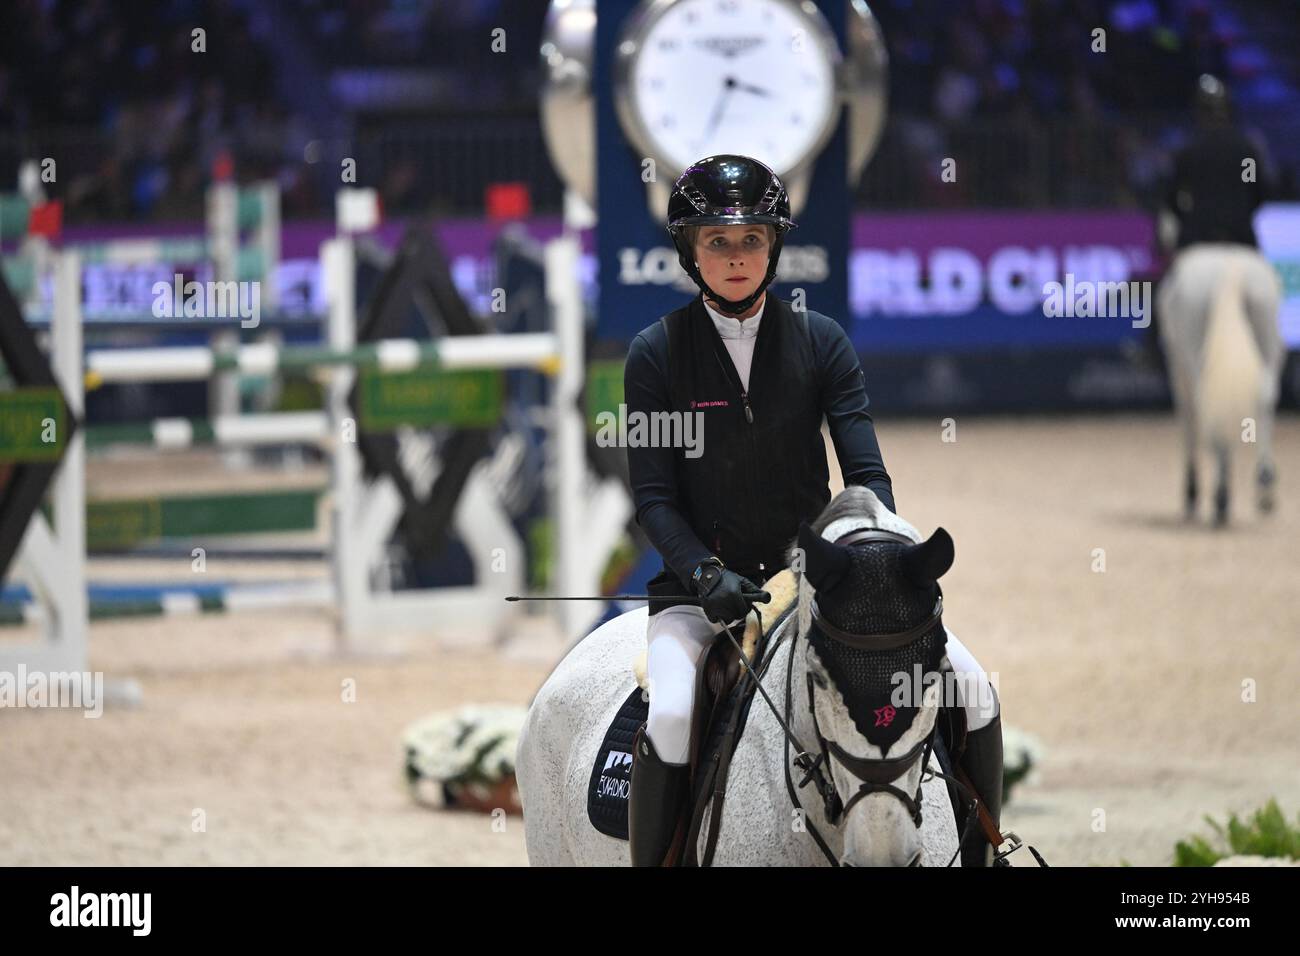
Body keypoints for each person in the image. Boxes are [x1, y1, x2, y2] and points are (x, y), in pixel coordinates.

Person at [622, 154, 1003, 866]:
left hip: (816, 584)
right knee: (672, 716)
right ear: (689, 251)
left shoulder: (821, 340)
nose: (736, 258)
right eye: (717, 242)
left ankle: (986, 853)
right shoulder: (655, 355)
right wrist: (704, 574)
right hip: (700, 598)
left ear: (774, 246)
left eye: (751, 241)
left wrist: (873, 570)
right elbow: (653, 499)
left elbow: (867, 477)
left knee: (974, 690)